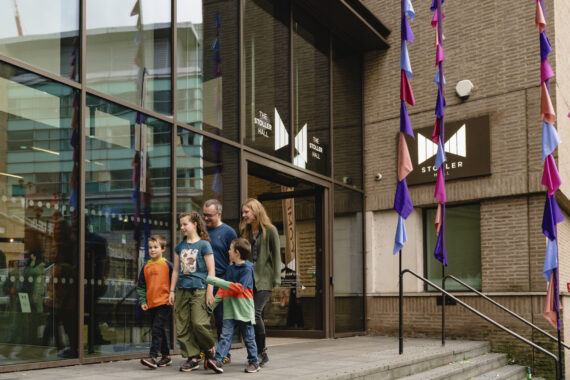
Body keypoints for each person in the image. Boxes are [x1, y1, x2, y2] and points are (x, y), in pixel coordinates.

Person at [169, 211, 217, 372]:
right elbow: (175, 271)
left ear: (195, 224)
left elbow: (211, 271)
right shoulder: (180, 247)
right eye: (181, 224)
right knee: (182, 326)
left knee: (198, 323)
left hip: (200, 289)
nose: (182, 227)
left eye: (185, 224)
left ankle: (209, 347)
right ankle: (193, 357)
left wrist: (210, 291)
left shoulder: (204, 245)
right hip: (182, 290)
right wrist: (171, 291)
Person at [204, 237, 260, 374]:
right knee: (225, 335)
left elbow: (239, 288)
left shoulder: (247, 268)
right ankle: (218, 360)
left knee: (248, 337)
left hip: (243, 310)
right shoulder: (230, 269)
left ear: (236, 252)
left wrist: (215, 281)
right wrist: (213, 304)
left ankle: (254, 361)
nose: (228, 251)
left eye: (230, 249)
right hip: (230, 309)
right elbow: (224, 290)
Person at [239, 198, 281, 367]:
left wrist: (277, 279)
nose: (244, 215)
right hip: (249, 280)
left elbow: (277, 256)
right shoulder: (245, 232)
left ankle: (261, 352)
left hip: (264, 279)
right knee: (253, 316)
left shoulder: (270, 231)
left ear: (255, 212)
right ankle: (257, 352)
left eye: (246, 212)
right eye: (243, 212)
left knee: (254, 314)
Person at [203, 199, 237, 362]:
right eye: (204, 215)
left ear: (219, 214)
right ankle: (206, 350)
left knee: (221, 319)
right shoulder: (201, 231)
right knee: (201, 319)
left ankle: (225, 354)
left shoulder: (229, 232)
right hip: (202, 281)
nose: (206, 219)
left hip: (221, 281)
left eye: (209, 215)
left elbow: (234, 259)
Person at [136, 235, 173, 369]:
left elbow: (175, 283)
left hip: (164, 303)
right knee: (159, 330)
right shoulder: (145, 266)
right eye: (150, 247)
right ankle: (166, 356)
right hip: (151, 304)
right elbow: (141, 286)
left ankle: (152, 357)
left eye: (156, 247)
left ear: (163, 249)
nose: (152, 250)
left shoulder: (168, 265)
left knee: (156, 329)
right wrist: (143, 301)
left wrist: (172, 296)